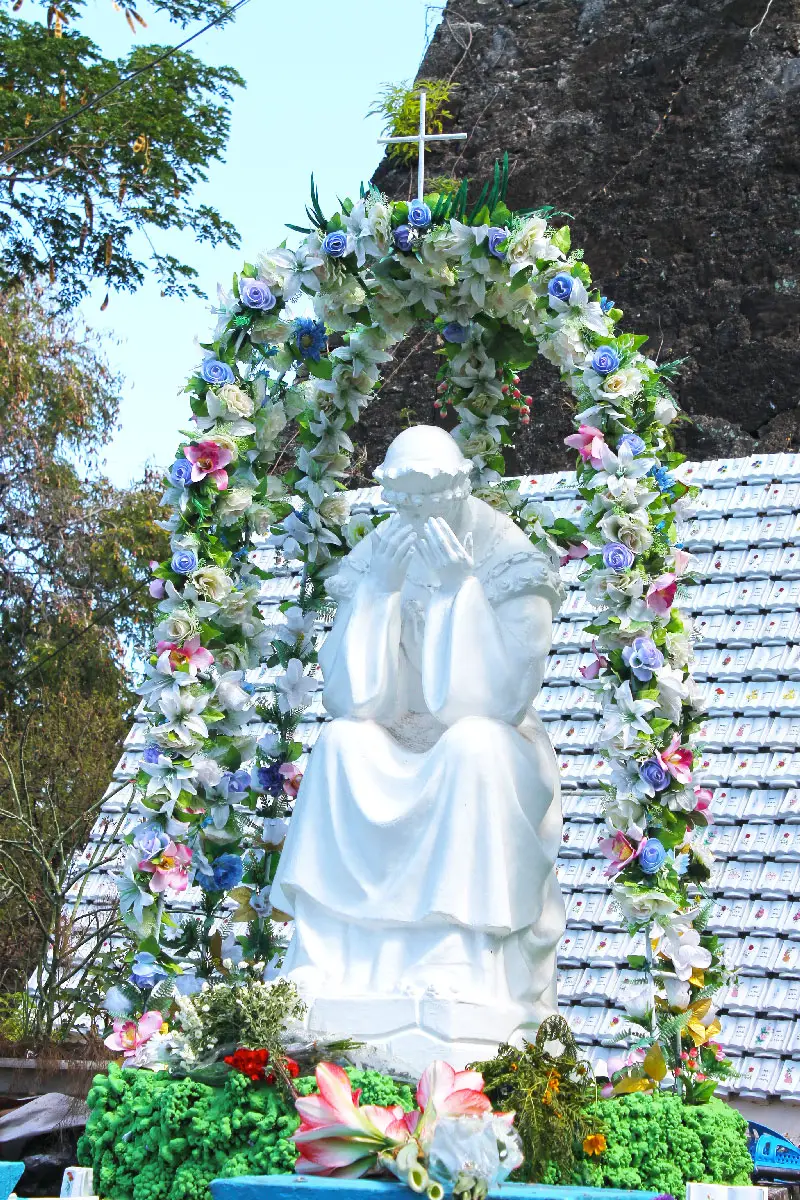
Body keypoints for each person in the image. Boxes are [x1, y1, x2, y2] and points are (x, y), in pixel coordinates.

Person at [271, 425, 565, 1068]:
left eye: (432, 497)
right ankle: (329, 955)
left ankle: (455, 954)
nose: (418, 513)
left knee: (471, 745)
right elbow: (352, 700)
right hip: (395, 734)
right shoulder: (379, 551)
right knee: (341, 744)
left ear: (461, 486)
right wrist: (378, 592)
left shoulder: (508, 557)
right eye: (403, 500)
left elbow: (496, 701)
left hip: (493, 746)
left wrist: (461, 589)